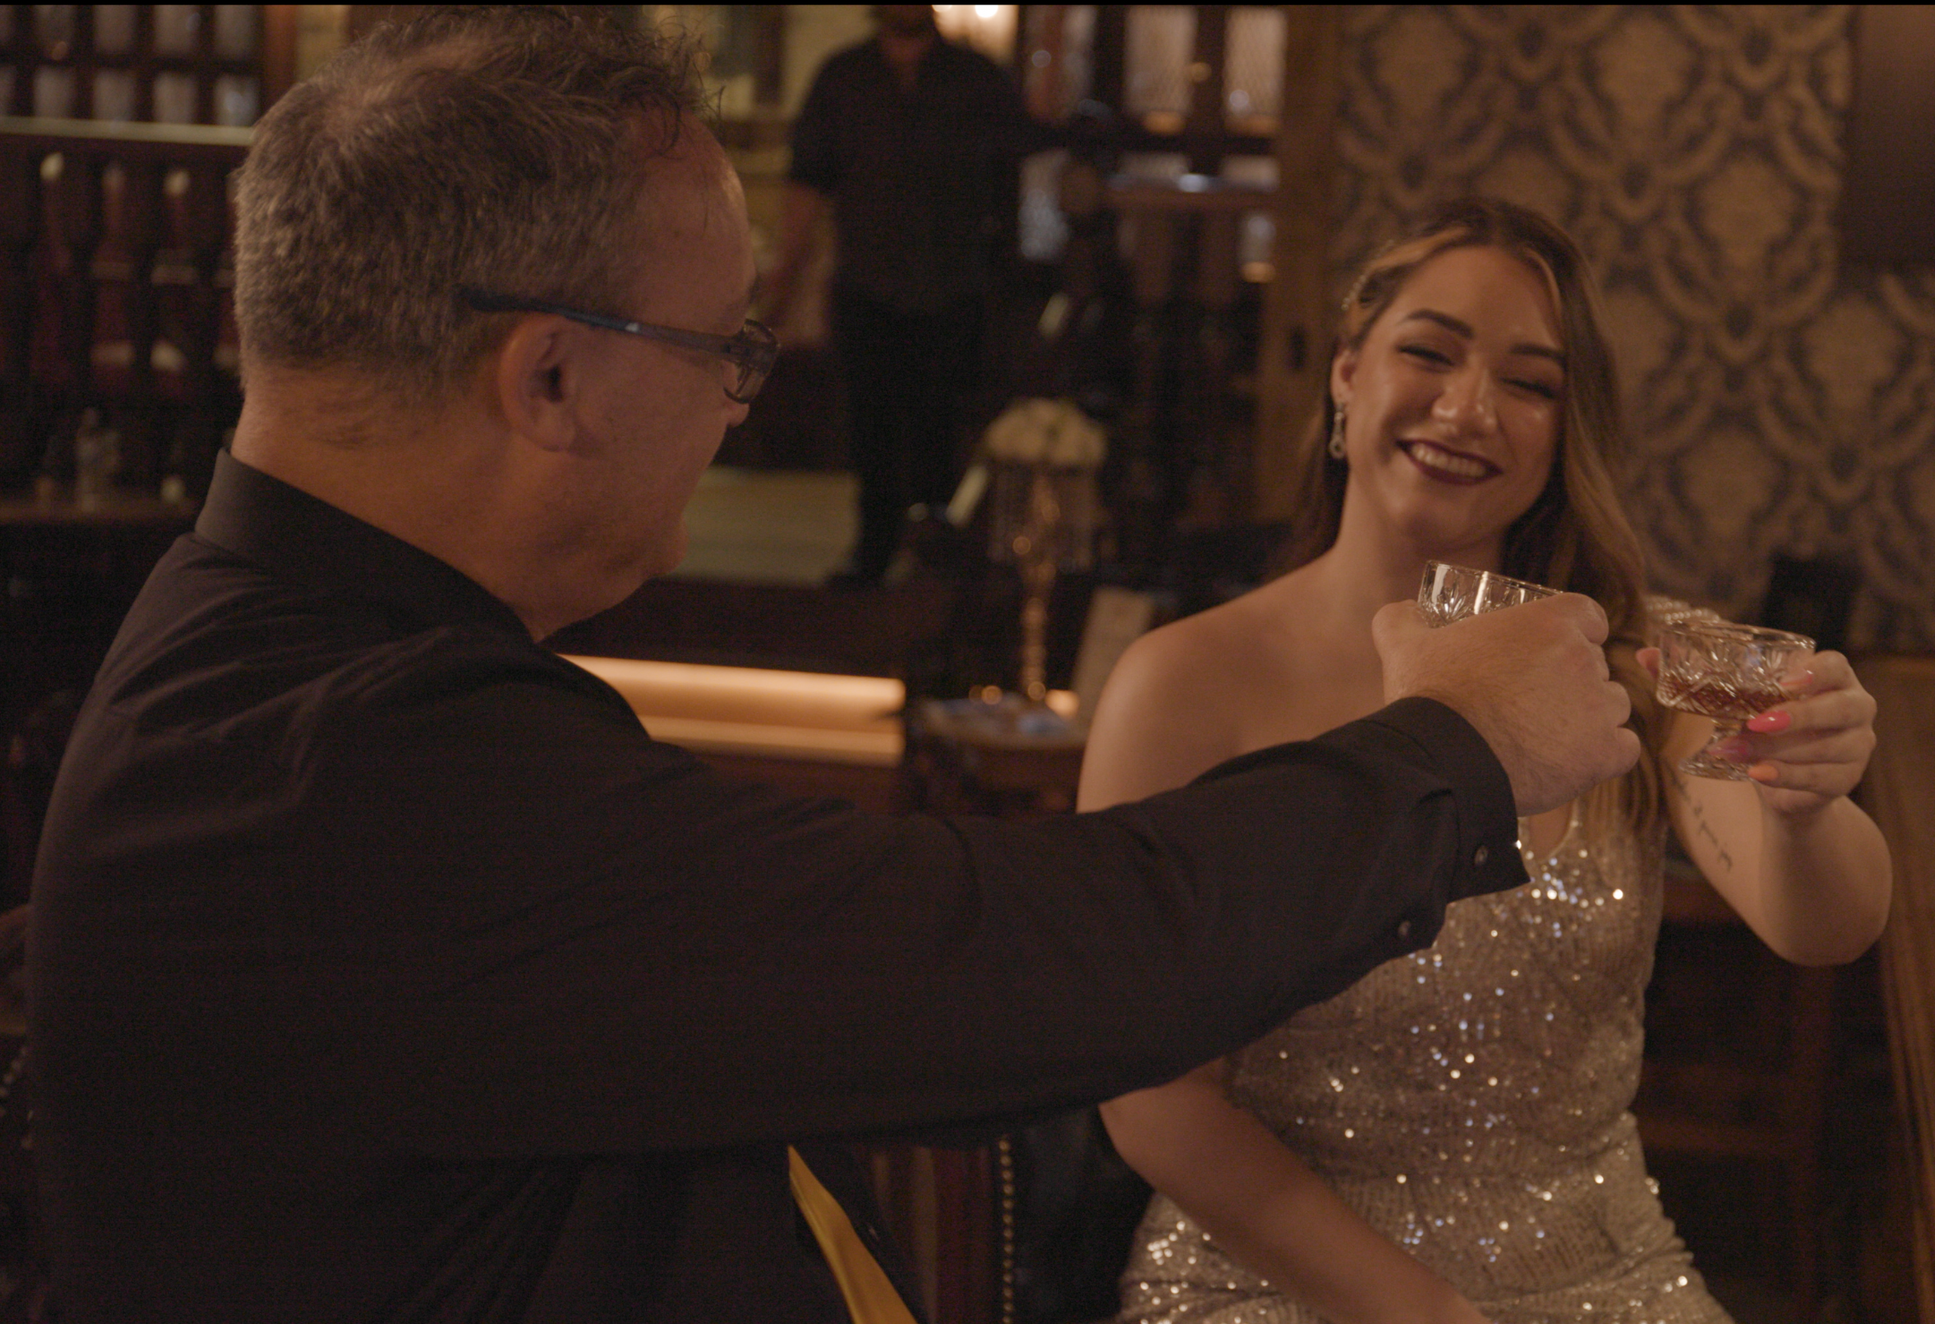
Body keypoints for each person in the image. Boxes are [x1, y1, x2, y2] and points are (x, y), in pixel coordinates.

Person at [24, 16, 1647, 1322]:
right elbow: (1030, 954)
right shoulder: (357, 768)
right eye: (729, 346)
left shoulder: (277, 645)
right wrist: (1464, 739)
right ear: (551, 374)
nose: (743, 403)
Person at [1079, 200, 1894, 1323]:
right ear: (1346, 374)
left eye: (1529, 383)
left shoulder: (1648, 654)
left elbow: (1828, 927)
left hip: (1608, 1274)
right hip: (1265, 1281)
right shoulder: (1180, 684)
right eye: (1427, 352)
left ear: (1565, 434)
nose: (1467, 409)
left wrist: (1808, 802)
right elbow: (1149, 1090)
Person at [762, 3, 1037, 584]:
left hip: (954, 283)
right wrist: (786, 277)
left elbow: (1019, 173)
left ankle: (935, 558)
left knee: (942, 424)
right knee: (871, 426)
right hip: (869, 280)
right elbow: (808, 178)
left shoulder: (975, 77)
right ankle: (874, 551)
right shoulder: (844, 75)